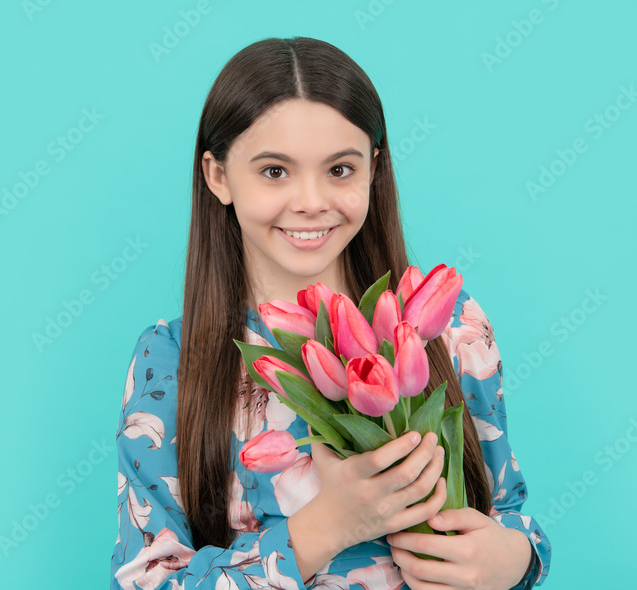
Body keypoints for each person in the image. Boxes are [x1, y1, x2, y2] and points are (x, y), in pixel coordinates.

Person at [110, 36, 551, 590]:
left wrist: (514, 559)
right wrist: (328, 526)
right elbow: (146, 581)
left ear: (374, 168)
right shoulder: (170, 360)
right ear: (218, 176)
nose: (312, 201)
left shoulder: (442, 323)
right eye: (275, 171)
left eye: (340, 170)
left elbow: (508, 509)